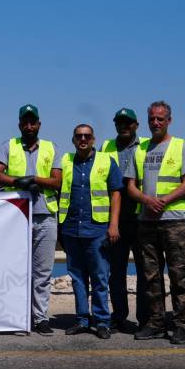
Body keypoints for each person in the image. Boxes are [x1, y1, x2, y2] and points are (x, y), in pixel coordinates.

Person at [125, 101, 185, 345]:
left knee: (178, 275)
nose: (155, 123)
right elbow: (130, 186)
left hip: (173, 222)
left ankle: (180, 325)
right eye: (152, 119)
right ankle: (156, 323)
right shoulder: (139, 149)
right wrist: (147, 200)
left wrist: (164, 201)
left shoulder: (181, 146)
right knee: (151, 277)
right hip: (147, 222)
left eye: (160, 119)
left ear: (169, 121)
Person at [0, 104, 62, 336]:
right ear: (20, 124)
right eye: (25, 122)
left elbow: (57, 181)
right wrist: (18, 181)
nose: (29, 126)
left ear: (39, 124)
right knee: (15, 270)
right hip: (17, 216)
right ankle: (18, 317)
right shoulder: (8, 146)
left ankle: (40, 318)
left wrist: (35, 179)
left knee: (42, 272)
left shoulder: (51, 147)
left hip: (45, 215)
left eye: (33, 122)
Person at [58, 124, 123, 339]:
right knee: (77, 277)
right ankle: (82, 320)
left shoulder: (106, 161)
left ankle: (102, 321)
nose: (83, 139)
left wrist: (114, 224)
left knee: (100, 277)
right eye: (79, 136)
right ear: (73, 140)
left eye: (87, 136)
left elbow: (116, 194)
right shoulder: (66, 160)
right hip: (71, 228)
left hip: (97, 229)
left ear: (93, 139)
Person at [100, 108, 149, 332]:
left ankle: (145, 319)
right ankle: (119, 316)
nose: (123, 126)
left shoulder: (147, 145)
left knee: (144, 272)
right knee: (116, 272)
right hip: (116, 219)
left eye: (128, 123)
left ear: (136, 125)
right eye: (119, 123)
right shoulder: (106, 147)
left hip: (141, 218)